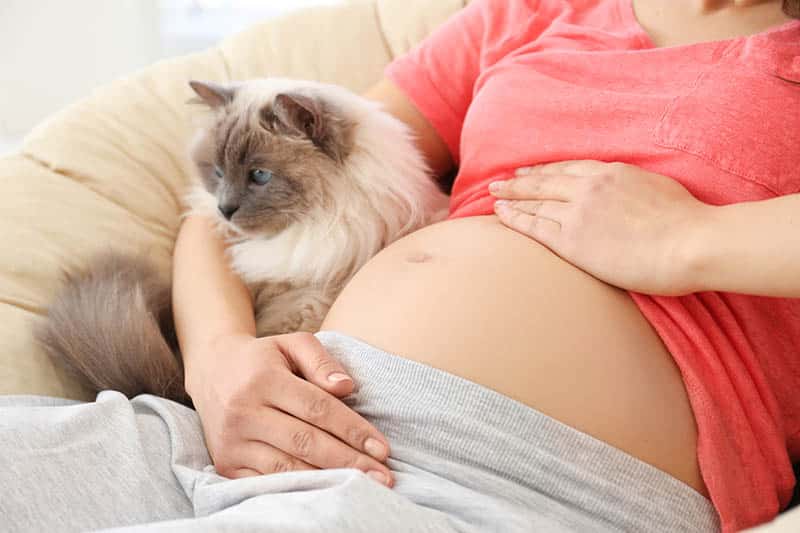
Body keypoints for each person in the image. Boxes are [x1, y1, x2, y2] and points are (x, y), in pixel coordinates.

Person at [1, 0, 798, 532]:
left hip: (508, 483)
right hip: (271, 429)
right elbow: (245, 192)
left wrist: (688, 239)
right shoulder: (533, 13)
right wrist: (219, 363)